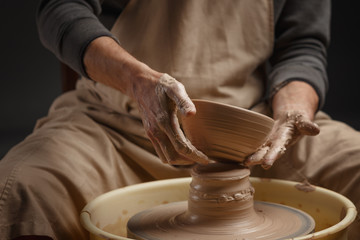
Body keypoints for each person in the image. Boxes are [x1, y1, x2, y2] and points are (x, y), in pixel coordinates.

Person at [0, 0, 359, 239]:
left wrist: (294, 110)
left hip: (258, 132)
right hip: (116, 121)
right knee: (22, 189)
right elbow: (60, 10)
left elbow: (302, 44)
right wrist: (136, 81)